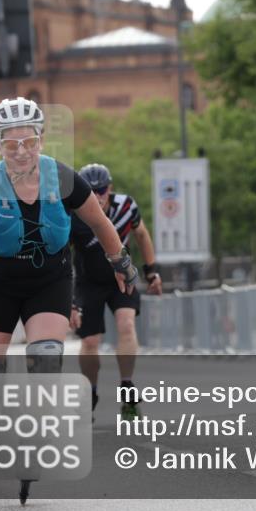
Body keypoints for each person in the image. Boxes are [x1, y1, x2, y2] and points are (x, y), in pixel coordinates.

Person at [0, 97, 138, 511]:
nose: (21, 151)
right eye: (11, 144)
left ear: (41, 139)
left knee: (45, 359)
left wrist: (123, 264)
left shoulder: (63, 177)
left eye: (29, 141)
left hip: (50, 281)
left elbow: (101, 223)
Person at [70, 163, 163, 421]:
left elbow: (142, 235)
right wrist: (70, 300)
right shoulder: (74, 215)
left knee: (126, 326)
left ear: (110, 189)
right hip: (88, 282)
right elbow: (62, 255)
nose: (97, 197)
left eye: (102, 191)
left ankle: (126, 386)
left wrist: (151, 271)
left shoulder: (126, 206)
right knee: (90, 342)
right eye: (91, 192)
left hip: (121, 278)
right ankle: (91, 392)